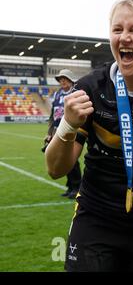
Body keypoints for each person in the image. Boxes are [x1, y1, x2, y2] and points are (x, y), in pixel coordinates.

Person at [45, 0, 133, 271]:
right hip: (97, 220)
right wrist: (68, 124)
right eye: (117, 29)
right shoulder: (91, 87)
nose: (124, 37)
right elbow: (55, 168)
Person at [43, 69, 81, 199]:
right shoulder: (58, 94)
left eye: (65, 79)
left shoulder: (75, 93)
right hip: (58, 131)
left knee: (73, 161)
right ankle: (70, 186)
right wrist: (50, 133)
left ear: (71, 80)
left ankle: (77, 187)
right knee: (62, 158)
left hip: (72, 131)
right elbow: (52, 116)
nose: (62, 81)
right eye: (60, 79)